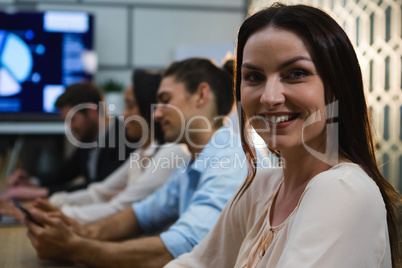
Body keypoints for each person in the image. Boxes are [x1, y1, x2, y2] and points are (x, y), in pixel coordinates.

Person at [165, 3, 401, 268]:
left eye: (296, 74)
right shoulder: (260, 187)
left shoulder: (343, 189)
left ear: (337, 86)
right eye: (254, 76)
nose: (270, 97)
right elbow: (198, 263)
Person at [25, 58, 254, 267]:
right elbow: (141, 214)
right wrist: (80, 231)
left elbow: (182, 247)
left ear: (201, 95)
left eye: (165, 100)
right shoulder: (192, 163)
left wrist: (75, 247)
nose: (155, 114)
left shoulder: (229, 162)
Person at [40, 70, 189, 225]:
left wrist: (57, 213)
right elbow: (100, 193)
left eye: (130, 106)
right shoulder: (141, 153)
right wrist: (53, 204)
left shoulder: (172, 153)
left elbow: (120, 208)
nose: (123, 115)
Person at [2, 82, 136, 200]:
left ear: (91, 111)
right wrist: (32, 181)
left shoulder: (125, 137)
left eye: (73, 119)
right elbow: (65, 171)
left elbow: (102, 185)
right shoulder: (90, 139)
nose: (70, 127)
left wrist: (41, 192)